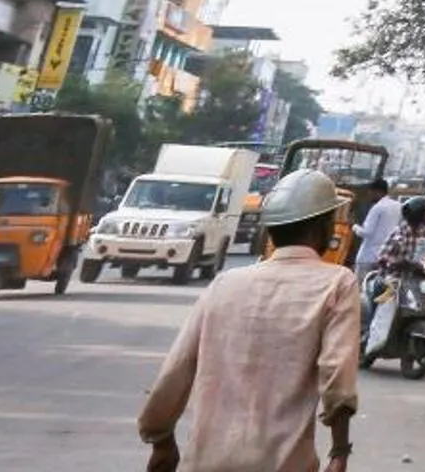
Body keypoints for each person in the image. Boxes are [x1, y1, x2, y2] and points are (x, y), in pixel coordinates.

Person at [137, 168, 359, 472]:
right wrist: (339, 451)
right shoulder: (337, 283)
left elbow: (177, 368)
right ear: (322, 227)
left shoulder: (224, 284)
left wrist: (160, 437)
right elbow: (337, 374)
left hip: (206, 462)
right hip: (282, 463)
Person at [347, 179, 398, 277]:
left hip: (368, 256)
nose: (369, 195)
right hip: (387, 256)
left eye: (370, 192)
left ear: (377, 192)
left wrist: (353, 226)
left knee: (360, 286)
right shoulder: (397, 206)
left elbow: (366, 232)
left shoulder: (377, 208)